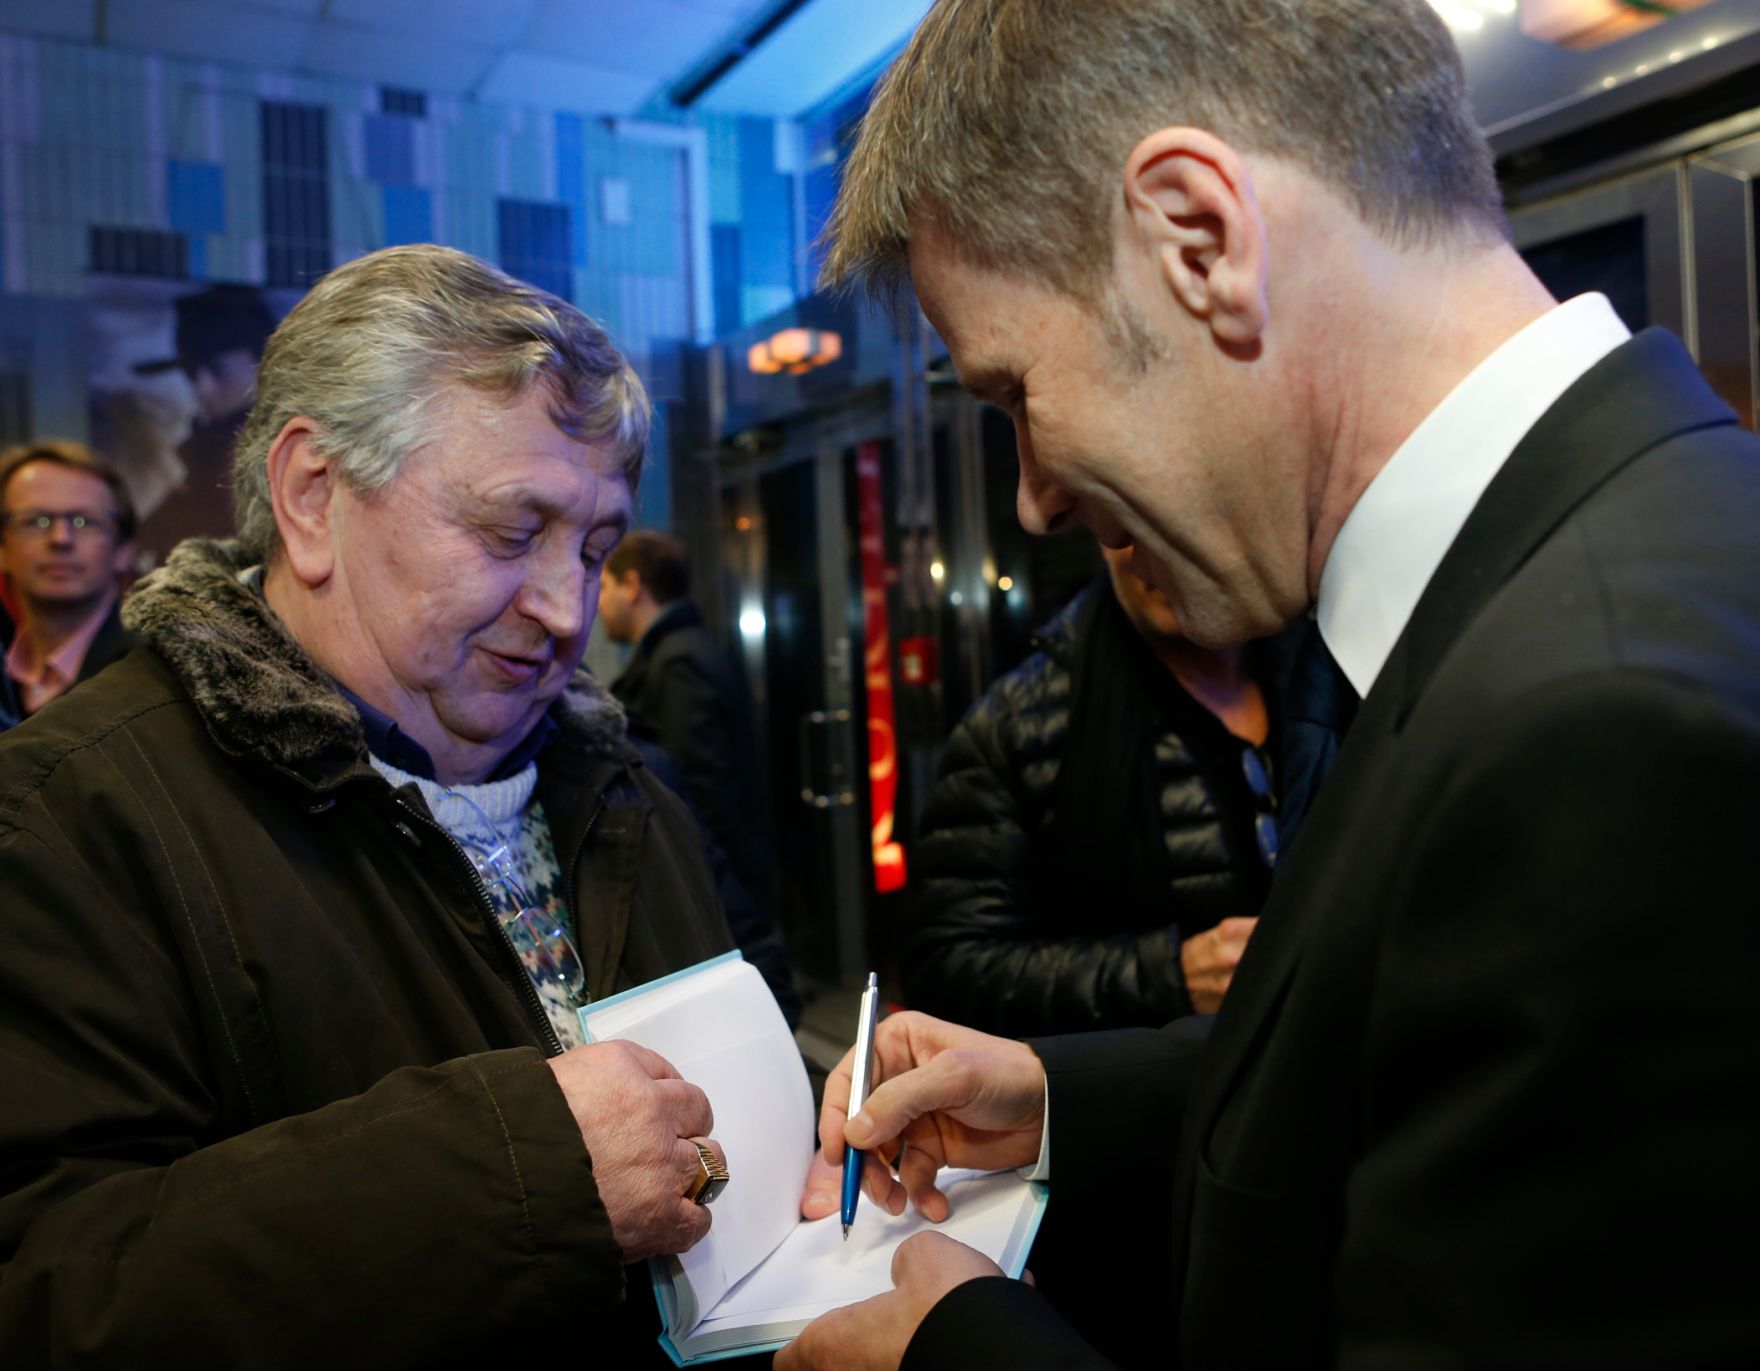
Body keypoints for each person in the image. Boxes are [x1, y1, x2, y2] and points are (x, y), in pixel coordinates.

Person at [780, 2, 1760, 1368]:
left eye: (1013, 391)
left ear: (1199, 236)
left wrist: (961, 1345)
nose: (1035, 495)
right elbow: (1418, 1050)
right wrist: (1056, 1094)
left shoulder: (1598, 724)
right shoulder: (1604, 554)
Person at [0, 245, 735, 1367]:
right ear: (309, 497)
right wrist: (521, 1173)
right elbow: (53, 1291)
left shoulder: (625, 784)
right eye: (509, 532)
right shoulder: (67, 821)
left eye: (593, 548)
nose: (563, 608)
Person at [904, 542, 1278, 1035]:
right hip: (1141, 1093)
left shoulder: (1321, 674)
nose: (1159, 546)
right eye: (1127, 520)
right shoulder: (1017, 725)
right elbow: (951, 972)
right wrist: (1169, 976)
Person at [600, 530, 770, 903]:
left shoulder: (679, 661)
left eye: (603, 586)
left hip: (716, 884)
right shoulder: (687, 648)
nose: (598, 604)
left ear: (631, 586)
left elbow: (697, 795)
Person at [0, 440, 137, 732]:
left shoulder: (152, 672)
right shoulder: (5, 677)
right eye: (35, 520)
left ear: (124, 550)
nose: (60, 538)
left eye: (85, 521)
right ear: (2, 549)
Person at [131, 283, 276, 556]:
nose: (202, 389)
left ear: (262, 363)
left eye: (217, 370)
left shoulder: (274, 454)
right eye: (191, 373)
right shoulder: (204, 455)